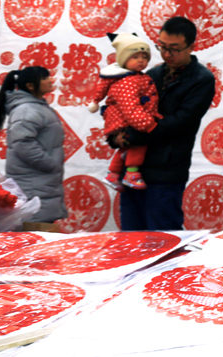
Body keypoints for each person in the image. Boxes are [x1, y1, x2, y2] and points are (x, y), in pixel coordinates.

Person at [114, 16, 215, 231]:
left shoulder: (202, 79)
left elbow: (179, 122)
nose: (167, 54)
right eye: (162, 47)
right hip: (133, 171)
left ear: (191, 47)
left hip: (166, 173)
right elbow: (126, 108)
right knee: (130, 241)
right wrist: (115, 135)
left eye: (174, 49)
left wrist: (132, 136)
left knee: (162, 242)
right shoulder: (151, 74)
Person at [0, 66, 66, 224]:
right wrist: (50, 164)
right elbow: (22, 143)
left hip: (41, 181)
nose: (50, 80)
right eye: (44, 78)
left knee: (40, 228)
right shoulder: (26, 110)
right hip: (33, 182)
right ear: (30, 86)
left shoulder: (36, 107)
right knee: (33, 230)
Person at [90, 32, 161, 191]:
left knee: (125, 149)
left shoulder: (135, 77)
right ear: (123, 59)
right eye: (135, 57)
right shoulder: (128, 81)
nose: (141, 60)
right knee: (139, 144)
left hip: (126, 121)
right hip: (129, 121)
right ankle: (132, 174)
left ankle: (113, 174)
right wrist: (147, 123)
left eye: (144, 57)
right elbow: (130, 108)